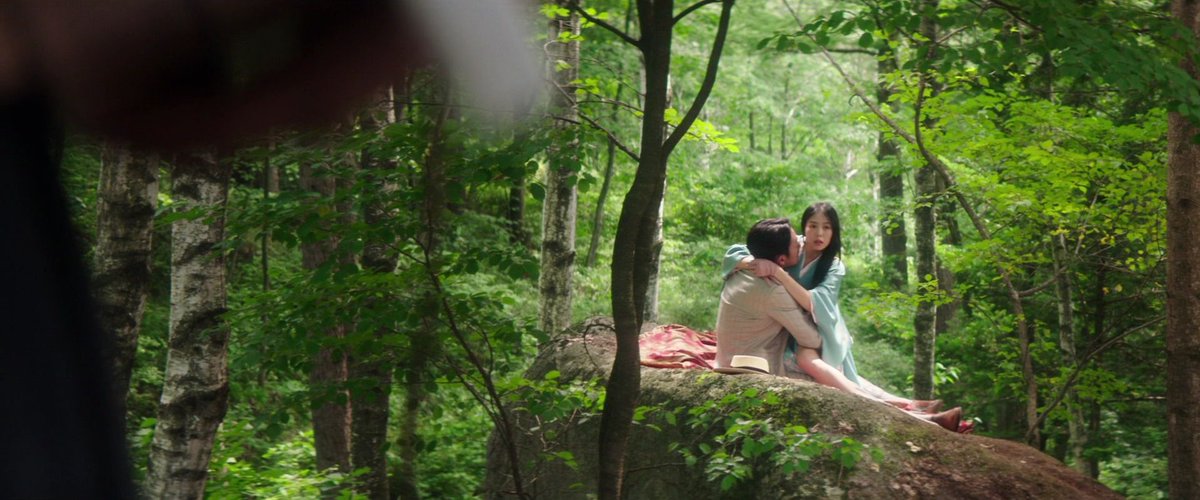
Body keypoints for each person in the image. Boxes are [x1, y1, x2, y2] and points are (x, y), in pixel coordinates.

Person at [723, 204, 966, 431]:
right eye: (813, 225)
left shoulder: (833, 266)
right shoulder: (791, 245)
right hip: (791, 326)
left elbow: (814, 303)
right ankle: (910, 405)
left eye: (827, 227)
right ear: (804, 227)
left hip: (821, 326)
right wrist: (753, 262)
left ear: (834, 232)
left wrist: (778, 272)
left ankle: (911, 412)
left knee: (815, 364)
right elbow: (738, 251)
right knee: (838, 377)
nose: (819, 233)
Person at [713, 218, 822, 377]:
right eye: (796, 244)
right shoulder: (773, 290)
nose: (801, 244)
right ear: (781, 259)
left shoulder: (740, 268)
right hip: (752, 370)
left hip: (725, 359)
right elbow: (812, 340)